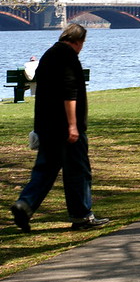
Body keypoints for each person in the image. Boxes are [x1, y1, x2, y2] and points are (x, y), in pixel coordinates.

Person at [10, 24, 110, 233]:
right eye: (82, 43)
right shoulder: (68, 57)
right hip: (66, 128)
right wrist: (73, 126)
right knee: (78, 170)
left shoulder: (48, 55)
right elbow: (69, 94)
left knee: (45, 170)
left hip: (47, 125)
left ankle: (25, 204)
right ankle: (82, 216)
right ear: (78, 41)